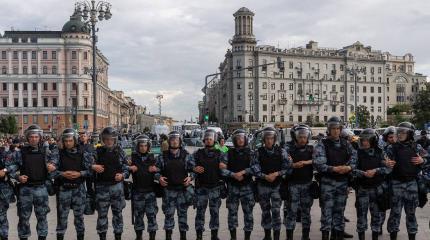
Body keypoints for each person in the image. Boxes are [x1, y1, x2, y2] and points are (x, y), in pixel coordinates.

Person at [8, 125, 57, 240]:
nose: (34, 139)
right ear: (27, 138)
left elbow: (56, 166)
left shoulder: (46, 153)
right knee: (24, 218)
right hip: (25, 190)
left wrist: (52, 167)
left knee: (42, 217)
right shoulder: (20, 152)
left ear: (40, 138)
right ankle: (24, 237)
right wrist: (17, 176)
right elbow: (10, 168)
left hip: (41, 189)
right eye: (31, 137)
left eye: (36, 137)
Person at [313, 116, 357, 240]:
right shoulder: (322, 144)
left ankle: (337, 235)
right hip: (328, 182)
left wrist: (349, 168)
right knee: (327, 212)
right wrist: (333, 169)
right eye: (333, 129)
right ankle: (326, 235)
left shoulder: (346, 144)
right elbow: (319, 163)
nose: (336, 131)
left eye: (338, 128)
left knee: (339, 211)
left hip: (342, 182)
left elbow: (355, 158)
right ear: (329, 130)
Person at [385, 122, 428, 240]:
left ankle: (412, 236)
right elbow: (383, 163)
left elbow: (427, 160)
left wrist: (422, 160)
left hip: (411, 184)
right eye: (399, 132)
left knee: (411, 214)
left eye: (403, 132)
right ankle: (393, 235)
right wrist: (386, 164)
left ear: (410, 134)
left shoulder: (417, 147)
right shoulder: (391, 147)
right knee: (395, 214)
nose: (400, 134)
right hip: (396, 184)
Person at [51, 128, 93, 240]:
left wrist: (80, 174)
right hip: (63, 190)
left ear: (75, 140)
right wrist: (62, 174)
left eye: (70, 140)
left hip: (78, 190)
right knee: (62, 218)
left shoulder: (83, 152)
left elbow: (91, 170)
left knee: (79, 218)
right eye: (66, 141)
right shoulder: (58, 153)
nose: (68, 143)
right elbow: (51, 172)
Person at [252, 127, 290, 240]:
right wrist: (265, 176)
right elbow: (254, 167)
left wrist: (277, 174)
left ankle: (277, 236)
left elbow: (287, 166)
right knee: (265, 211)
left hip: (277, 186)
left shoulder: (281, 151)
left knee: (276, 211)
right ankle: (267, 235)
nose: (269, 141)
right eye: (267, 138)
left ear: (274, 139)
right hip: (263, 185)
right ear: (264, 140)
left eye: (271, 138)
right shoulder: (258, 152)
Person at [92, 127, 129, 240]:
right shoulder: (97, 152)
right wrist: (93, 166)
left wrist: (123, 175)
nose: (109, 141)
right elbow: (86, 164)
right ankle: (102, 236)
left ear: (115, 140)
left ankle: (118, 236)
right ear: (103, 139)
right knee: (102, 215)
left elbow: (126, 168)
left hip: (116, 188)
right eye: (106, 139)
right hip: (102, 188)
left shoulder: (120, 151)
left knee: (118, 214)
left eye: (111, 139)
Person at [353, 128, 391, 240]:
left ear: (373, 140)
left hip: (377, 190)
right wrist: (363, 173)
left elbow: (389, 168)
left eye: (367, 140)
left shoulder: (381, 152)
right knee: (361, 217)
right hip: (362, 189)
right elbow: (351, 169)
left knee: (376, 217)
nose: (364, 142)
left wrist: (376, 171)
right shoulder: (357, 153)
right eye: (362, 140)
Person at [155, 131, 193, 240]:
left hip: (182, 191)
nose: (174, 142)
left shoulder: (186, 155)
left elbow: (194, 169)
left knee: (183, 217)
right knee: (168, 217)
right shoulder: (162, 156)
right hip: (168, 191)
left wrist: (190, 178)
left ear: (180, 141)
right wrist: (159, 178)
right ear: (169, 141)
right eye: (172, 140)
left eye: (176, 140)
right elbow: (155, 171)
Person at [220, 129, 255, 240]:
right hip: (233, 188)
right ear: (234, 140)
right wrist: (233, 174)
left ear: (245, 139)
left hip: (247, 187)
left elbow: (256, 168)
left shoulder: (251, 153)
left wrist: (244, 172)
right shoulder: (228, 153)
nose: (240, 140)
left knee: (248, 215)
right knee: (232, 215)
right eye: (238, 138)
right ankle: (233, 237)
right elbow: (221, 170)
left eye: (242, 138)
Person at [190, 129, 224, 240]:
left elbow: (226, 168)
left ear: (214, 140)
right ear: (204, 140)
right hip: (201, 188)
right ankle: (199, 235)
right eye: (207, 139)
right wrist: (193, 169)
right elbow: (188, 165)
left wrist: (225, 167)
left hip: (215, 187)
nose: (209, 141)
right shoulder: (197, 154)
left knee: (215, 213)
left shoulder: (220, 154)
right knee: (200, 213)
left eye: (211, 139)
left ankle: (214, 235)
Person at [284, 124, 314, 240]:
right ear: (295, 137)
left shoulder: (311, 149)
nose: (302, 139)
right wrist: (293, 165)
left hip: (307, 185)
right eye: (300, 137)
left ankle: (305, 237)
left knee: (306, 213)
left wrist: (306, 162)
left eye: (304, 137)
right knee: (291, 212)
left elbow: (319, 160)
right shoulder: (288, 149)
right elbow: (284, 162)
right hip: (293, 185)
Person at [129, 134, 158, 240]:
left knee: (152, 217)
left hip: (150, 192)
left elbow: (162, 170)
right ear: (137, 146)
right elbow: (123, 169)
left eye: (145, 146)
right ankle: (139, 237)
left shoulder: (153, 158)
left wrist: (156, 170)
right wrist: (129, 167)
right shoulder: (133, 158)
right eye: (141, 146)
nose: (143, 148)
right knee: (138, 218)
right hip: (138, 193)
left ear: (148, 146)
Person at [0, 139, 14, 240]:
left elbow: (14, 165)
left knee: (2, 216)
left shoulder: (4, 153)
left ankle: (4, 236)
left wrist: (5, 170)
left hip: (2, 189)